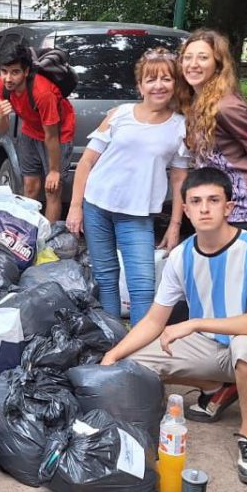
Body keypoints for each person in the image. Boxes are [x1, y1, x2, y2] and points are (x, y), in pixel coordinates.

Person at [101, 168, 247, 484]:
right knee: (132, 363)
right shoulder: (180, 256)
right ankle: (216, 388)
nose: (204, 209)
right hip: (211, 348)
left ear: (228, 207)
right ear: (186, 209)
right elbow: (153, 320)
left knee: (246, 344)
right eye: (196, 201)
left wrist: (195, 323)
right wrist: (113, 355)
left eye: (214, 200)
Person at [66, 47, 189, 324]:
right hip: (97, 204)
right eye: (151, 79)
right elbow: (86, 163)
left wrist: (175, 225)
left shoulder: (180, 127)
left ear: (175, 84)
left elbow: (180, 179)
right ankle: (111, 342)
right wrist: (76, 207)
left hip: (138, 214)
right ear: (140, 85)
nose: (158, 85)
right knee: (106, 277)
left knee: (143, 285)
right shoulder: (120, 114)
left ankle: (138, 352)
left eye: (166, 79)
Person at [177, 29, 247, 243]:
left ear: (218, 65)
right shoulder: (195, 101)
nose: (193, 64)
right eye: (188, 57)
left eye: (203, 57)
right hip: (223, 206)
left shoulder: (225, 105)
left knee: (243, 274)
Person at [0, 44, 76, 222]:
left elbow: (51, 135)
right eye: (4, 71)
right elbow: (2, 129)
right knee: (30, 186)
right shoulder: (0, 86)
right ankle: (26, 232)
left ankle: (48, 240)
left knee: (52, 189)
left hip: (58, 134)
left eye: (15, 72)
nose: (8, 78)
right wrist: (1, 115)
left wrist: (54, 171)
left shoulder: (42, 92)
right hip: (30, 130)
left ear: (26, 71)